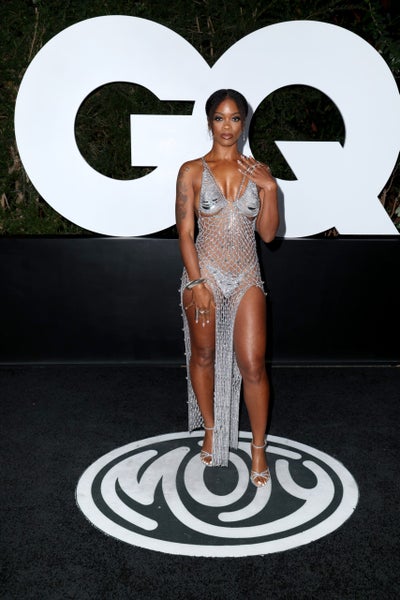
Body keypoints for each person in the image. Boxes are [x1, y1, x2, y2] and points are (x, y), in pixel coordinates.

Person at [175, 89, 279, 487]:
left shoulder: (258, 171)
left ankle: (258, 448)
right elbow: (185, 233)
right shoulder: (191, 171)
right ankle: (211, 427)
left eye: (235, 118)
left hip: (247, 275)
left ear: (244, 123)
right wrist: (197, 281)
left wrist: (269, 190)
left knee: (253, 364)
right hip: (205, 272)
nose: (227, 126)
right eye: (220, 118)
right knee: (203, 355)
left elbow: (267, 235)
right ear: (209, 122)